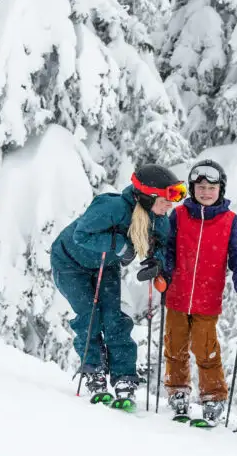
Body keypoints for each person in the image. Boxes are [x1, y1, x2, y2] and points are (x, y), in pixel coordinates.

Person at [50, 164, 186, 402]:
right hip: (70, 263)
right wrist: (119, 245)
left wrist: (158, 263)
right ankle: (94, 371)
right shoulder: (111, 207)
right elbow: (81, 235)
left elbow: (164, 245)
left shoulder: (158, 219)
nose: (170, 206)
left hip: (105, 265)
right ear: (147, 197)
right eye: (165, 199)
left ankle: (124, 376)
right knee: (89, 315)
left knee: (114, 317)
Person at [155, 159, 237, 424]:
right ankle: (177, 391)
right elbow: (168, 250)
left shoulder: (229, 220)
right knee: (174, 346)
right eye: (200, 187)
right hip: (177, 295)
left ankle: (213, 396)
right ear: (192, 188)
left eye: (212, 187)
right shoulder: (179, 215)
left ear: (221, 190)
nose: (206, 192)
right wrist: (163, 273)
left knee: (205, 349)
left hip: (207, 300)